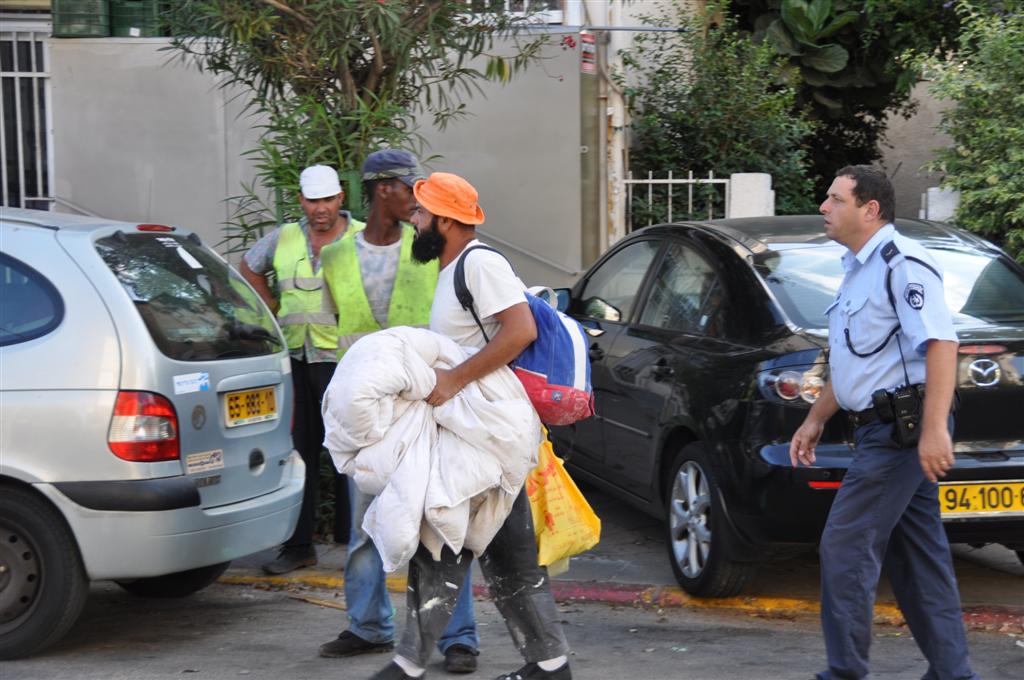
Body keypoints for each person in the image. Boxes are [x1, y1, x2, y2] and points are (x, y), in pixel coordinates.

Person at [368, 172, 572, 680]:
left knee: (440, 540)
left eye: (420, 213)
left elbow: (520, 329)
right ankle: (550, 664)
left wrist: (452, 380)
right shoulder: (453, 267)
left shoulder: (479, 264)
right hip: (484, 435)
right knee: (510, 558)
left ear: (444, 219)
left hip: (486, 435)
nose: (413, 221)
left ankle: (407, 665)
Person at [790, 165, 978, 680]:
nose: (824, 208)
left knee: (845, 545)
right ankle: (953, 672)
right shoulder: (857, 269)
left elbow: (941, 343)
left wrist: (936, 429)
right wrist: (815, 418)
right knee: (918, 557)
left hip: (901, 431)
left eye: (835, 199)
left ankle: (845, 672)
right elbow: (856, 362)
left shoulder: (904, 264)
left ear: (869, 209)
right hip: (880, 427)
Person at [316, 150, 481, 674]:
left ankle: (459, 638)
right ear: (381, 189)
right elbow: (333, 328)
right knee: (365, 524)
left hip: (424, 403)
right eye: (408, 185)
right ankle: (367, 625)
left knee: (440, 520)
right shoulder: (338, 255)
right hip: (365, 411)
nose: (416, 195)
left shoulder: (429, 245)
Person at [240, 164, 356, 575]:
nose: (320, 209)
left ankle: (355, 544)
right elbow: (249, 266)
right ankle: (300, 546)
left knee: (351, 454)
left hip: (344, 362)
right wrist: (269, 307)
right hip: (296, 358)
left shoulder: (359, 238)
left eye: (327, 200)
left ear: (341, 198)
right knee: (300, 454)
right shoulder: (285, 237)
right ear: (301, 200)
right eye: (313, 201)